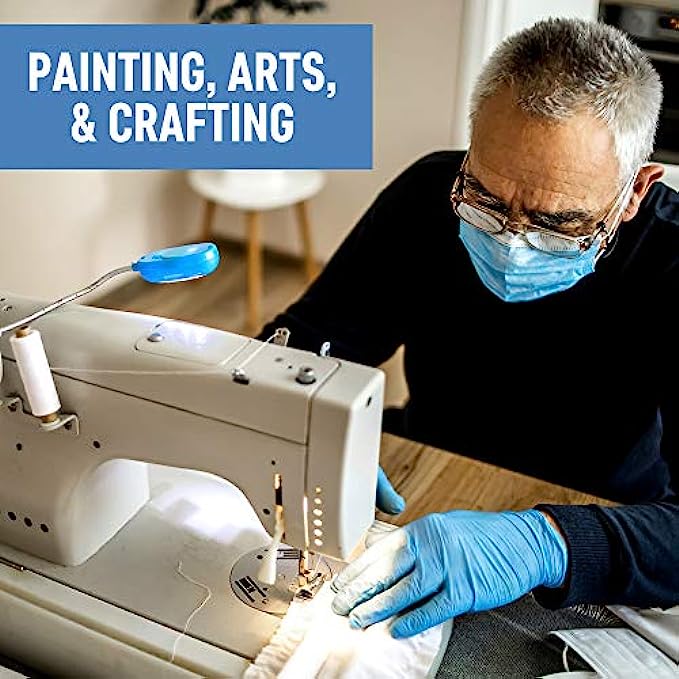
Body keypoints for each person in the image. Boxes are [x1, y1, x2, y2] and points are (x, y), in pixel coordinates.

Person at [259, 18, 679, 639]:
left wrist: (545, 544)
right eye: (485, 199)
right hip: (426, 465)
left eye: (556, 222)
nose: (511, 240)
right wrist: (301, 413)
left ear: (635, 191)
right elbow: (306, 339)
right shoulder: (429, 192)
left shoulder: (672, 262)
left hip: (604, 515)